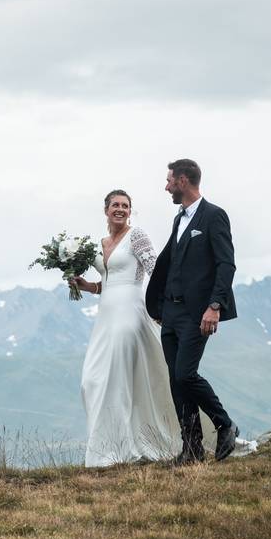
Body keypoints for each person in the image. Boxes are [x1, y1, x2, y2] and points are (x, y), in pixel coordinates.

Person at [71, 190, 184, 465]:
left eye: (125, 206)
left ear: (130, 211)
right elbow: (108, 282)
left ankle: (117, 453)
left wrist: (162, 308)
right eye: (115, 205)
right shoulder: (99, 243)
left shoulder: (137, 236)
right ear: (106, 210)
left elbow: (156, 271)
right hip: (105, 319)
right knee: (91, 380)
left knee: (118, 380)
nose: (120, 209)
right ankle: (113, 446)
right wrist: (88, 287)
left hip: (130, 315)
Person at [145, 158, 240, 464]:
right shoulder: (178, 219)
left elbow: (226, 264)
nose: (166, 186)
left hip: (197, 313)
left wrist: (214, 307)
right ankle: (192, 449)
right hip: (170, 314)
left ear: (183, 181)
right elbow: (171, 263)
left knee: (186, 374)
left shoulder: (214, 216)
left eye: (170, 180)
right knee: (176, 381)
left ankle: (225, 423)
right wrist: (159, 304)